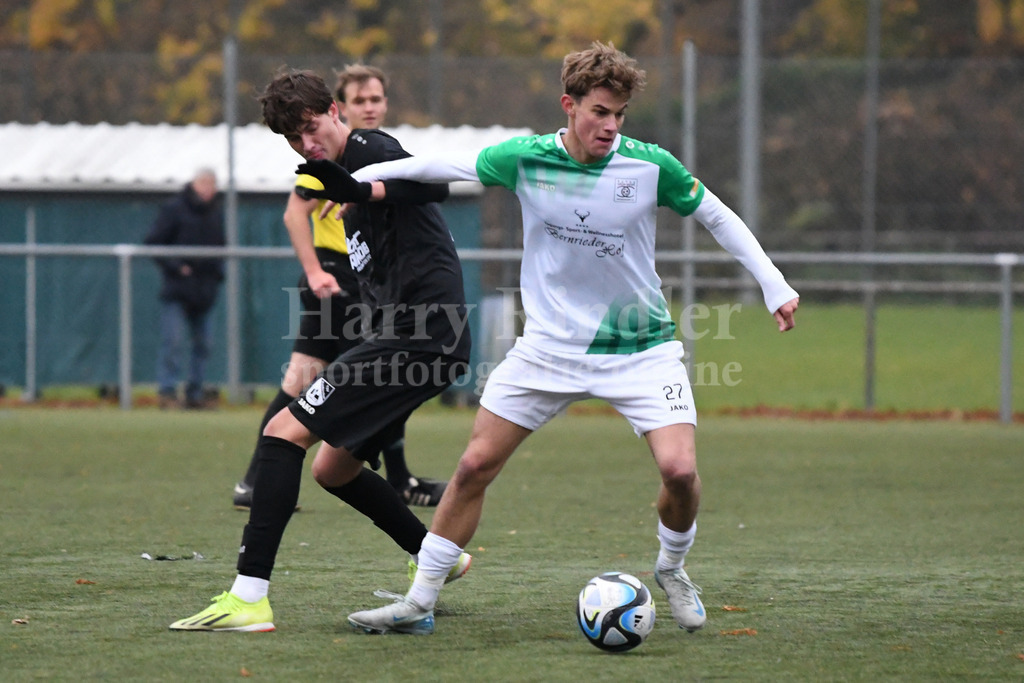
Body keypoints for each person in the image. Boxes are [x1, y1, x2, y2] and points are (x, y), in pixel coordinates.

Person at [305, 41, 800, 636]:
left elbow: (715, 214)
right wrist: (358, 181)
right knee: (473, 466)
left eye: (619, 115)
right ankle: (419, 600)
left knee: (680, 473)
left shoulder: (649, 166)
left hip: (641, 349)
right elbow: (441, 167)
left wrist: (773, 284)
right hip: (547, 350)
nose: (611, 126)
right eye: (599, 112)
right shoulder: (526, 158)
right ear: (569, 106)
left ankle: (672, 568)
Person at [170, 69, 472, 632]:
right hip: (413, 337)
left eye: (310, 128)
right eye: (294, 140)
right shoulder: (337, 183)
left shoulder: (368, 148)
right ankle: (441, 557)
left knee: (283, 432)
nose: (307, 145)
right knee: (333, 469)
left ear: (335, 111)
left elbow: (434, 186)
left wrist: (361, 187)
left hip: (420, 335)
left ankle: (249, 597)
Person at [231, 64, 448, 510]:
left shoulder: (371, 155)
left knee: (314, 379)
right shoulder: (326, 158)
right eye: (360, 101)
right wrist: (315, 271)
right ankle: (391, 480)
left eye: (376, 100)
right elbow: (295, 214)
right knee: (379, 375)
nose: (369, 108)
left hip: (361, 282)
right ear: (340, 108)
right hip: (336, 280)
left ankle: (258, 480)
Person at [144, 168, 225, 409]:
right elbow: (154, 243)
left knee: (204, 344)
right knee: (173, 342)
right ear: (194, 184)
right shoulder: (174, 208)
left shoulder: (216, 213)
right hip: (178, 290)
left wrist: (216, 275)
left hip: (205, 291)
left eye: (212, 184)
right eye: (204, 183)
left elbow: (222, 247)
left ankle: (195, 394)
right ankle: (167, 393)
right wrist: (177, 267)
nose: (208, 189)